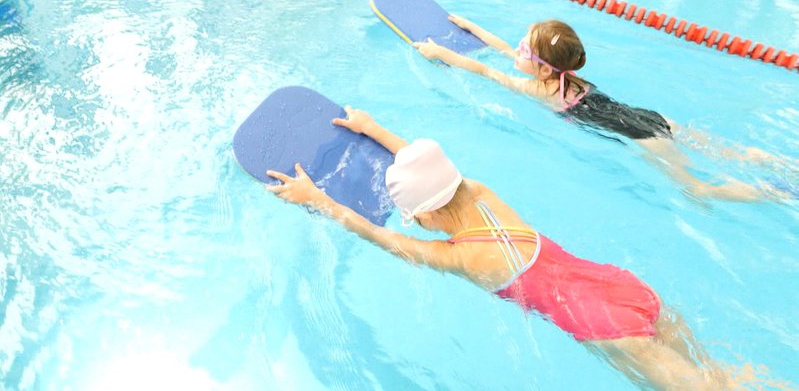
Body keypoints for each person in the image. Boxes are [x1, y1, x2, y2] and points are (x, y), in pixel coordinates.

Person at [264, 107, 780, 391]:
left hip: (602, 326)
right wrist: (375, 129)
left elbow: (383, 237)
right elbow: (435, 172)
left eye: (416, 216)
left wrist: (318, 199)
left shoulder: (461, 256)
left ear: (428, 216)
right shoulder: (483, 192)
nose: (415, 223)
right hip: (620, 286)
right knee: (722, 378)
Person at [412, 18, 793, 202]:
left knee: (696, 189)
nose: (515, 51)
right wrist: (469, 27)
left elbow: (482, 69)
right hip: (651, 116)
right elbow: (501, 52)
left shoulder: (535, 90)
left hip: (645, 138)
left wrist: (439, 53)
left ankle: (775, 192)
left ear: (543, 67)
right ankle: (775, 163)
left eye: (523, 49)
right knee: (727, 151)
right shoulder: (561, 75)